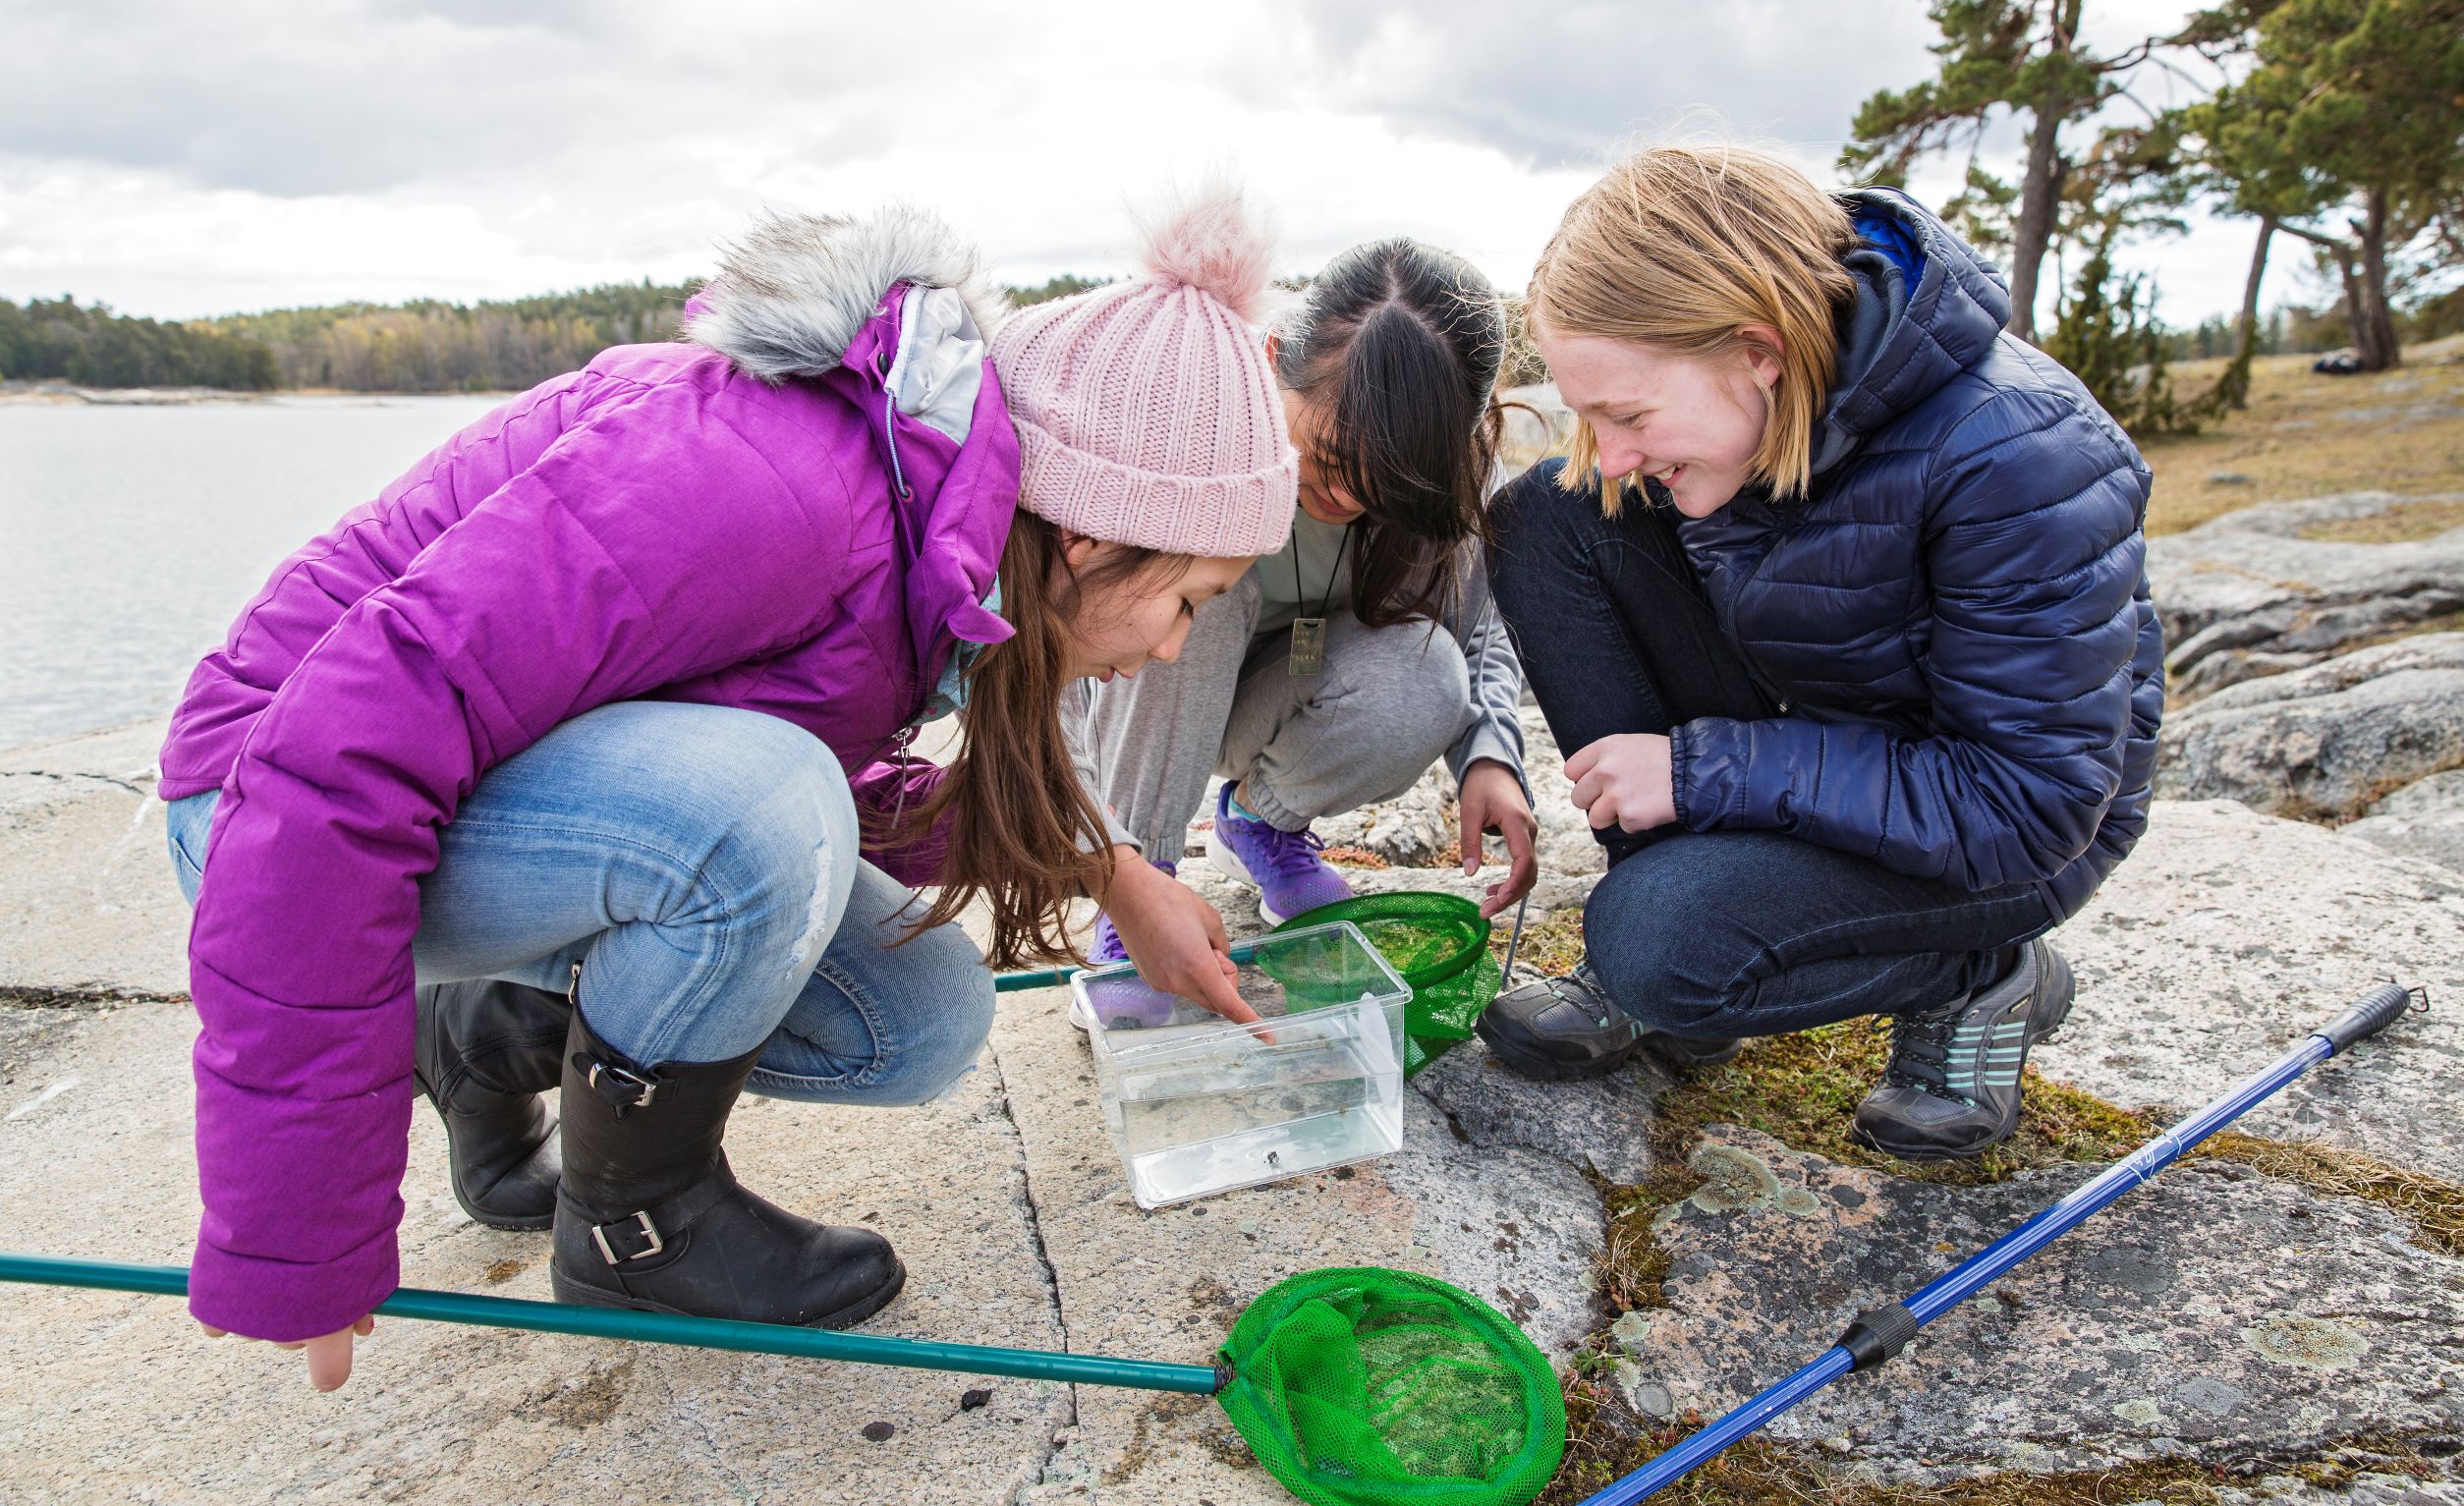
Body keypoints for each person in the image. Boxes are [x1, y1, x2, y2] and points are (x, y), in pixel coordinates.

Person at [158, 189, 1296, 1389]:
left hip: (471, 804)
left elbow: (756, 778)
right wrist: (300, 1233)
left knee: (915, 1016)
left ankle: (485, 1033)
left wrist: (1108, 871)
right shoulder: (773, 483)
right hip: (263, 801)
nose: (1174, 648)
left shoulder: (928, 524)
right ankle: (636, 1232)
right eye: (1190, 601)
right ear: (1088, 539)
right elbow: (334, 757)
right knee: (768, 809)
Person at [1475, 143, 2163, 1161]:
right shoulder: (1762, 406)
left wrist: (1703, 771)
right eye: (1590, 413)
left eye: (1629, 414)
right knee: (1547, 514)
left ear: (1757, 349)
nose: (1615, 451)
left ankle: (1980, 974)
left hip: (2004, 833)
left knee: (1654, 941)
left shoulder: (2021, 453)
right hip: (1834, 737)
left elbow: (2030, 806)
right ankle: (1685, 961)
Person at [1069, 239, 1539, 1021]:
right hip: (1159, 684)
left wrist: (1489, 754)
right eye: (1324, 458)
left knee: (1431, 674)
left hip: (1289, 690)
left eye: (1384, 478)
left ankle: (1260, 818)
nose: (1347, 497)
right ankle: (1144, 886)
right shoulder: (1193, 415)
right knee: (1196, 594)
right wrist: (1119, 873)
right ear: (1271, 356)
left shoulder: (1456, 476)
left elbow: (1481, 629)